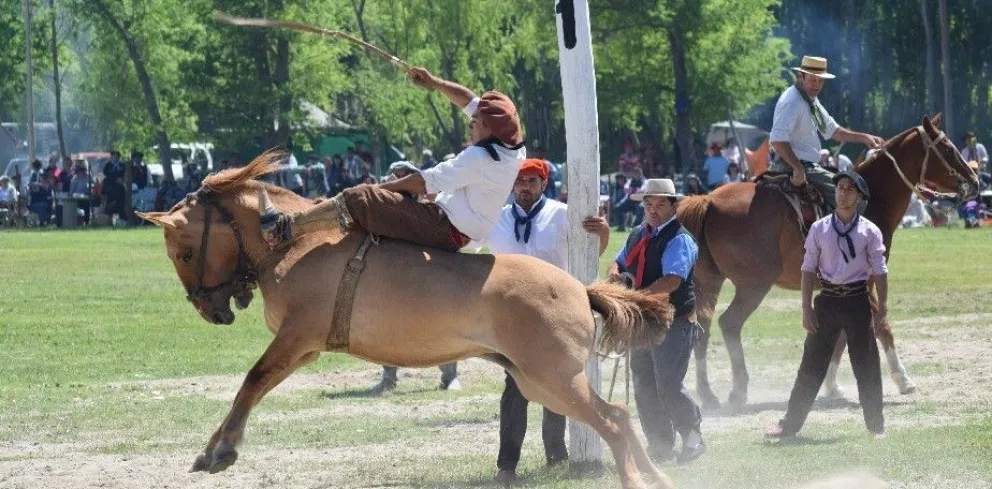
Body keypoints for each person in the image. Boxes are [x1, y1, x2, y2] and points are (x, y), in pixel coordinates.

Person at [261, 66, 525, 252]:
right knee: (398, 179)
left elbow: (424, 182)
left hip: (444, 228)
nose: (471, 125)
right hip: (453, 218)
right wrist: (433, 82)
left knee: (361, 196)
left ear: (489, 128)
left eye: (475, 123)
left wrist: (377, 189)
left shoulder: (479, 158)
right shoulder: (511, 145)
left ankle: (284, 230)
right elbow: (468, 100)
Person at [479, 159, 611, 483]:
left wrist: (604, 233)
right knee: (514, 390)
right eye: (520, 181)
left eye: (532, 181)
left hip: (554, 314)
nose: (525, 187)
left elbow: (589, 251)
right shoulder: (494, 218)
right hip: (508, 320)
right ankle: (507, 465)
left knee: (555, 385)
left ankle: (556, 455)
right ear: (512, 185)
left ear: (543, 184)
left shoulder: (562, 213)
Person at [766, 171, 888, 440]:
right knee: (811, 364)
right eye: (840, 188)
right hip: (828, 300)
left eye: (849, 189)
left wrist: (883, 308)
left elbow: (880, 270)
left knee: (866, 363)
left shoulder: (870, 231)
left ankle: (876, 425)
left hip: (857, 300)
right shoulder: (820, 229)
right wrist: (806, 307)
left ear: (859, 197)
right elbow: (808, 269)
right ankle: (789, 425)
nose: (843, 193)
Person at [608, 178, 705, 466]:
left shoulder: (680, 238)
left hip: (673, 322)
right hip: (644, 323)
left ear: (673, 207)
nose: (653, 210)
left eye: (660, 204)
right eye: (649, 204)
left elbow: (671, 281)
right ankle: (660, 444)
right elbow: (619, 261)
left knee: (668, 384)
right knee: (644, 382)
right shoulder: (639, 233)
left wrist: (634, 299)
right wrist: (614, 274)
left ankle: (692, 436)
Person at [769, 56, 886, 209]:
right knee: (856, 199)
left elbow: (834, 131)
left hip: (805, 166)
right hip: (792, 166)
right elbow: (777, 140)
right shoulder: (792, 102)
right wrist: (798, 168)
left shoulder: (810, 100)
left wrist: (864, 137)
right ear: (800, 76)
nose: (817, 85)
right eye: (813, 80)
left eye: (820, 81)